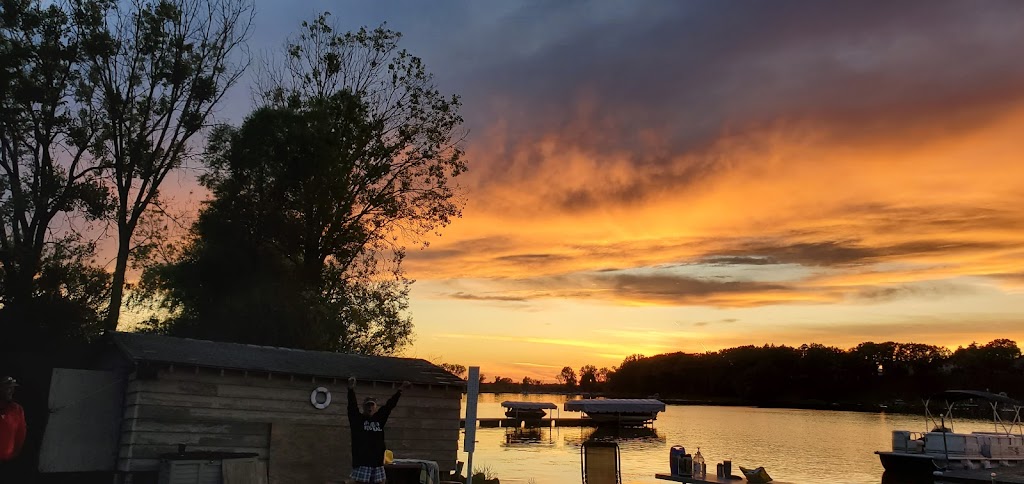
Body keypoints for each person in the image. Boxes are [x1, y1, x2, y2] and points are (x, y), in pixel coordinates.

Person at [347, 377, 410, 484]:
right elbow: (352, 407)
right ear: (364, 407)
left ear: (375, 407)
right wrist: (350, 389)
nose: (369, 408)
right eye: (367, 405)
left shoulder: (379, 419)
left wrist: (400, 389)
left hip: (377, 463)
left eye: (372, 405)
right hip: (362, 463)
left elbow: (389, 405)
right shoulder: (357, 420)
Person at [0, 376, 26, 476]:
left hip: (8, 464)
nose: (11, 390)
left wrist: (12, 455)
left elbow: (20, 436)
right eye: (7, 387)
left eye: (12, 387)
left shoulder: (17, 409)